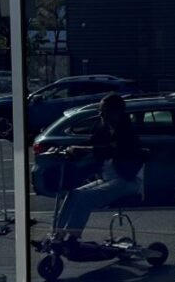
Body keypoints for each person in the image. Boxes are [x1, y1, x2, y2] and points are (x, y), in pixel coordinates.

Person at [55, 92, 144, 241]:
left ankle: (72, 237)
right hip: (108, 179)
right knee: (73, 194)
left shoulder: (128, 132)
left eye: (105, 111)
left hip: (127, 180)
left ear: (117, 113)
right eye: (101, 111)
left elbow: (111, 149)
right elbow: (91, 144)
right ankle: (57, 235)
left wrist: (82, 150)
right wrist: (65, 149)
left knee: (84, 198)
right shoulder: (105, 129)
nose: (101, 114)